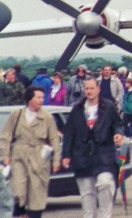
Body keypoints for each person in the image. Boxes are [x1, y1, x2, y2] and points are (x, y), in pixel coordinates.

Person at [61, 78, 125, 218]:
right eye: (86, 88)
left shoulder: (108, 107)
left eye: (91, 88)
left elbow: (118, 124)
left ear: (98, 89)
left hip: (104, 156)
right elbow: (69, 133)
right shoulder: (77, 109)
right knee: (87, 194)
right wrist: (66, 155)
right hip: (82, 157)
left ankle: (105, 215)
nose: (89, 91)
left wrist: (118, 134)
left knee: (105, 184)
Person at [0, 86, 61, 218]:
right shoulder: (17, 115)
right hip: (19, 155)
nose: (41, 100)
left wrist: (56, 160)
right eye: (38, 97)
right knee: (18, 188)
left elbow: (54, 140)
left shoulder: (47, 117)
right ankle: (20, 211)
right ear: (29, 99)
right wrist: (4, 155)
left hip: (39, 157)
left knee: (36, 193)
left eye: (42, 97)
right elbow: (5, 136)